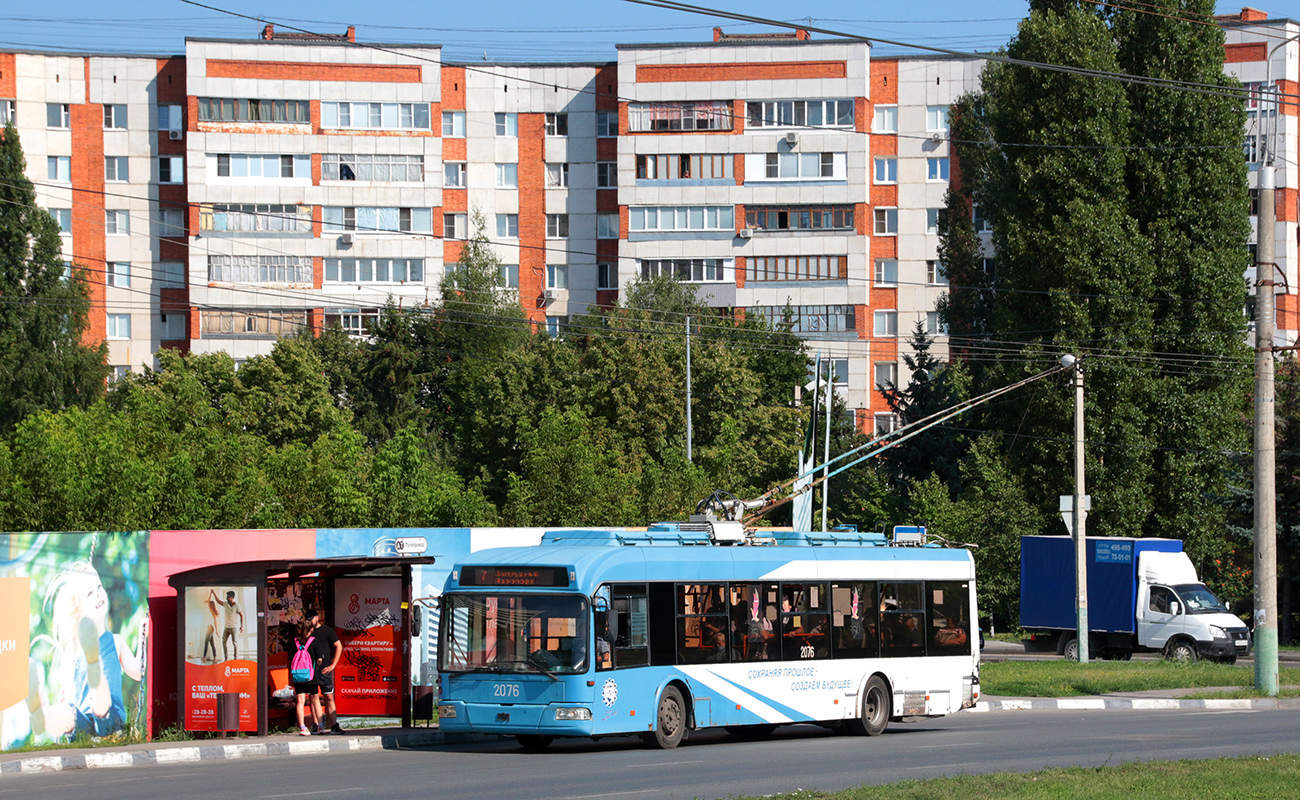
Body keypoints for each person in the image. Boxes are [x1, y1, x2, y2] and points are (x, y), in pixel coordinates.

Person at [29, 561, 145, 741]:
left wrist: (143, 635)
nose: (98, 593)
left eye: (99, 587)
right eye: (90, 593)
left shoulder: (116, 641)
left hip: (110, 723)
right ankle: (43, 713)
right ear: (78, 613)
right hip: (83, 725)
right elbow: (69, 694)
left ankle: (96, 670)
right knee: (68, 714)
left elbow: (138, 672)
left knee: (101, 705)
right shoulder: (74, 656)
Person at [305, 608, 344, 734]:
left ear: (317, 617)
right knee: (313, 698)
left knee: (329, 697)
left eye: (311, 619)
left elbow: (338, 646)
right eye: (308, 620)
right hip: (311, 670)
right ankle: (316, 725)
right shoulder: (307, 632)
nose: (310, 622)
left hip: (325, 669)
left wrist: (333, 665)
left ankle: (334, 725)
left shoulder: (327, 631)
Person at [290, 619, 320, 736]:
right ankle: (320, 726)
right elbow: (319, 659)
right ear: (311, 629)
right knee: (315, 700)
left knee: (300, 702)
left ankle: (302, 727)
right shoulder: (314, 641)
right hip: (311, 675)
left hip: (298, 675)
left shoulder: (294, 642)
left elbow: (290, 660)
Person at [221, 590, 244, 662]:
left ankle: (235, 658)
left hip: (233, 627)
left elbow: (241, 615)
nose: (226, 598)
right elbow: (218, 601)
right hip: (226, 628)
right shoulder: (225, 604)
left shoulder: (237, 605)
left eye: (228, 596)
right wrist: (214, 593)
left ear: (232, 597)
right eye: (226, 596)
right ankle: (226, 658)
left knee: (235, 643)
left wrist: (241, 626)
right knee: (224, 642)